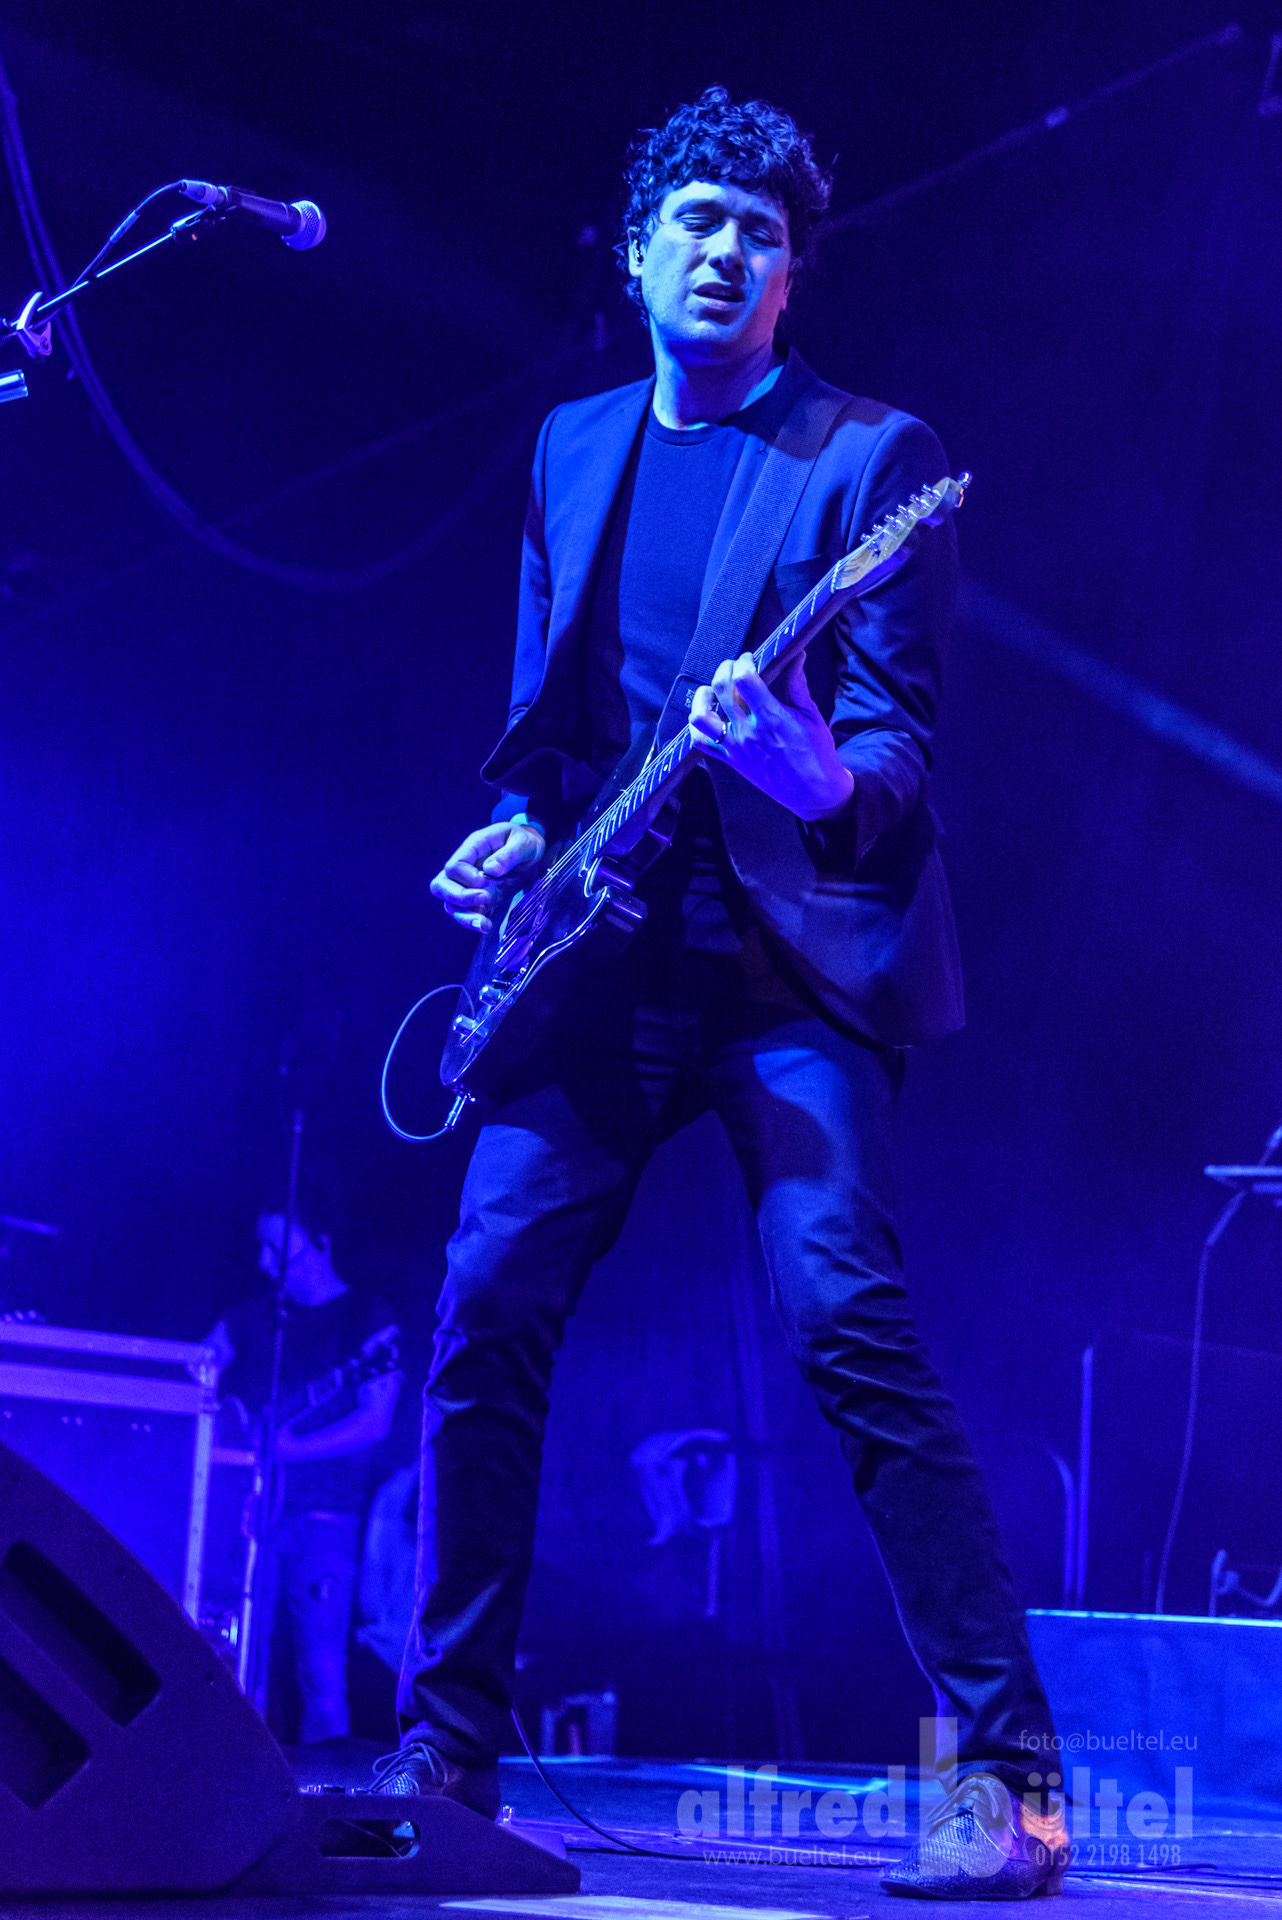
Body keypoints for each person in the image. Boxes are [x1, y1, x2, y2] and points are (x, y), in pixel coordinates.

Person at [377, 88, 1068, 1898]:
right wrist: (514, 837)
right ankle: (445, 1751)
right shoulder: (571, 445)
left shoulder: (868, 457)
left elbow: (892, 758)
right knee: (482, 1305)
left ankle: (1006, 1780)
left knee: (845, 1318)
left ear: (787, 275)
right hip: (592, 966)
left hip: (788, 970)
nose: (723, 249)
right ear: (634, 254)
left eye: (758, 231)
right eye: (694, 218)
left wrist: (804, 771)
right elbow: (543, 740)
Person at [208, 1196, 400, 1744]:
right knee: (237, 1668)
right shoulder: (254, 1316)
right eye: (262, 1248)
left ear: (322, 1244)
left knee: (321, 1675)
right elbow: (189, 1375)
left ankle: (328, 1792)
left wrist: (292, 1449)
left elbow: (376, 1421)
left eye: (280, 1250)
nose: (266, 1263)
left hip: (323, 1520)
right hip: (245, 1515)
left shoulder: (367, 1318)